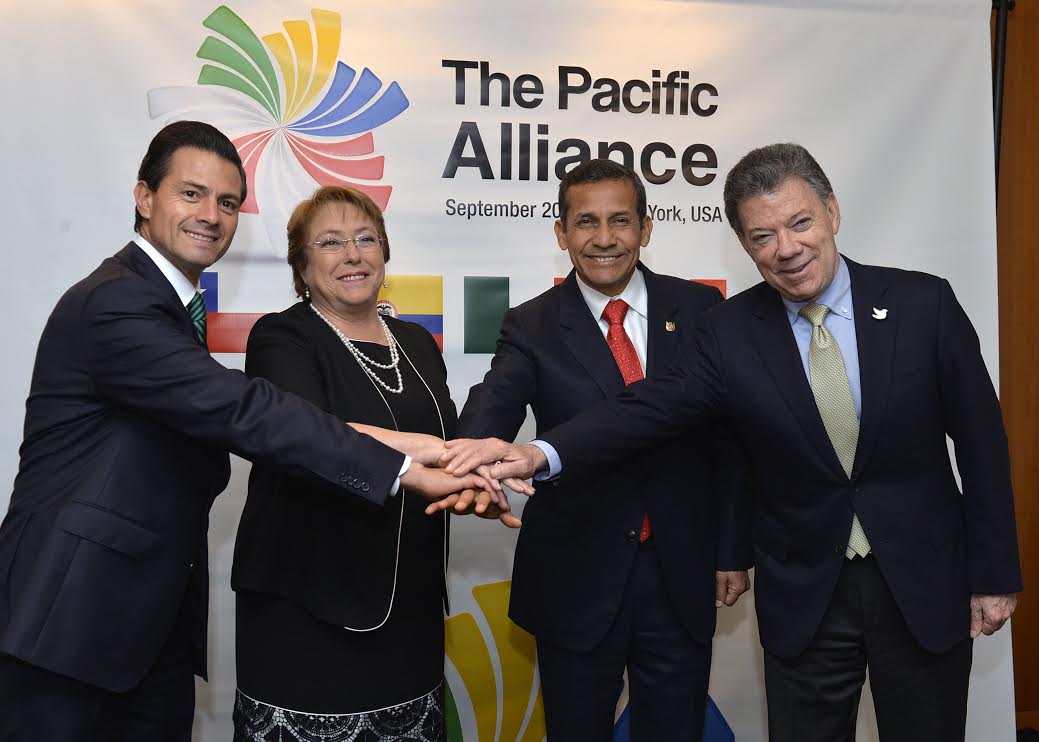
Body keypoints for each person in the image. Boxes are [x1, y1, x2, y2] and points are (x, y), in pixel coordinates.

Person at [443, 143, 1023, 742]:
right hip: (804, 593)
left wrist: (995, 572)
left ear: (832, 212)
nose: (787, 248)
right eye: (762, 236)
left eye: (800, 223)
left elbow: (982, 446)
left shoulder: (923, 305)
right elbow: (648, 406)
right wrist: (538, 454)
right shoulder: (730, 329)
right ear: (745, 245)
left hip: (922, 582)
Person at [0, 121, 490, 742]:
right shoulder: (117, 301)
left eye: (228, 202)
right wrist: (405, 464)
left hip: (146, 620)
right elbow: (245, 410)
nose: (211, 215)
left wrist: (443, 450)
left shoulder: (171, 307)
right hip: (71, 620)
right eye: (191, 194)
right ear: (144, 197)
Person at [454, 159, 751, 740]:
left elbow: (732, 443)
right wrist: (467, 460)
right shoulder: (531, 324)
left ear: (646, 227)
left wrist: (732, 549)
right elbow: (495, 403)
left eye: (620, 220)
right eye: (586, 222)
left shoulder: (702, 311)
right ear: (561, 232)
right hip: (576, 577)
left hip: (681, 571)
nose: (605, 238)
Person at [231, 185, 522, 740]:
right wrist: (434, 454)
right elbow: (312, 433)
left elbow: (447, 446)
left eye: (366, 239)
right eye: (330, 242)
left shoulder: (416, 341)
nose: (353, 254)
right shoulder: (282, 336)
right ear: (301, 265)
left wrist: (470, 483)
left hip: (411, 602)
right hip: (309, 599)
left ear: (384, 253)